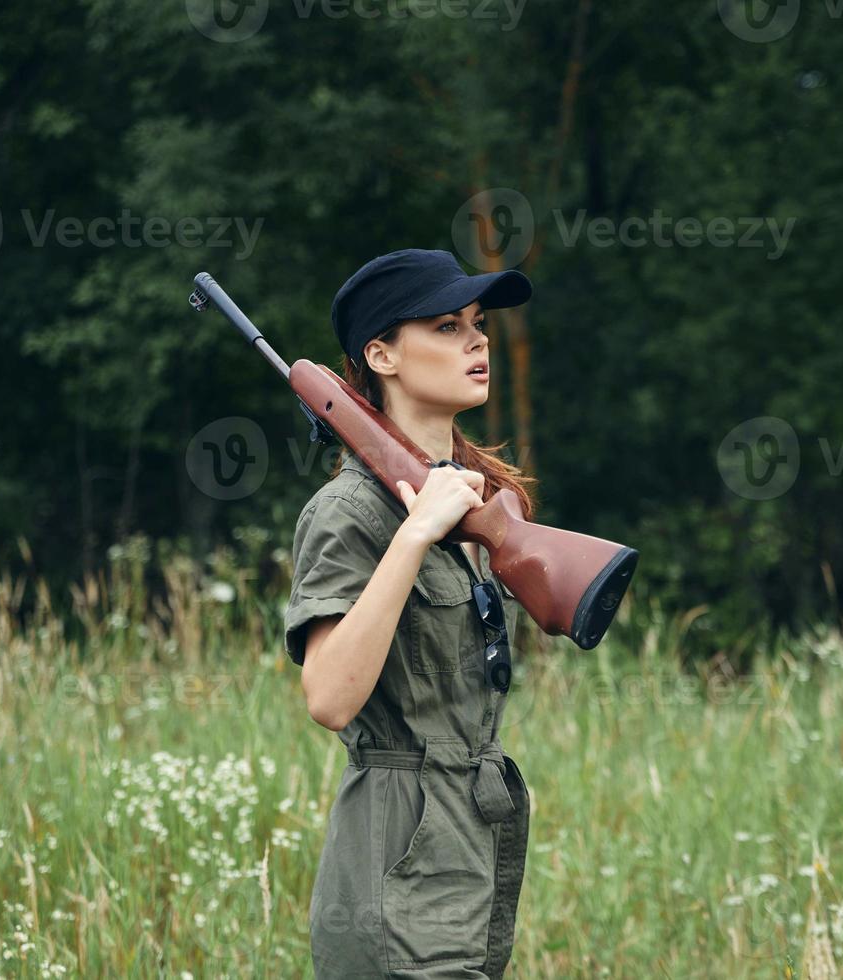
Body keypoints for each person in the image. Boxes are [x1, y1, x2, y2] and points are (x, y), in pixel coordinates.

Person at [284, 248, 539, 979]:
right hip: (396, 861)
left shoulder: (478, 503)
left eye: (478, 324)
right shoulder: (348, 513)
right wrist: (415, 533)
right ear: (381, 355)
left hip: (472, 848)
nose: (478, 340)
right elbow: (330, 698)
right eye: (446, 325)